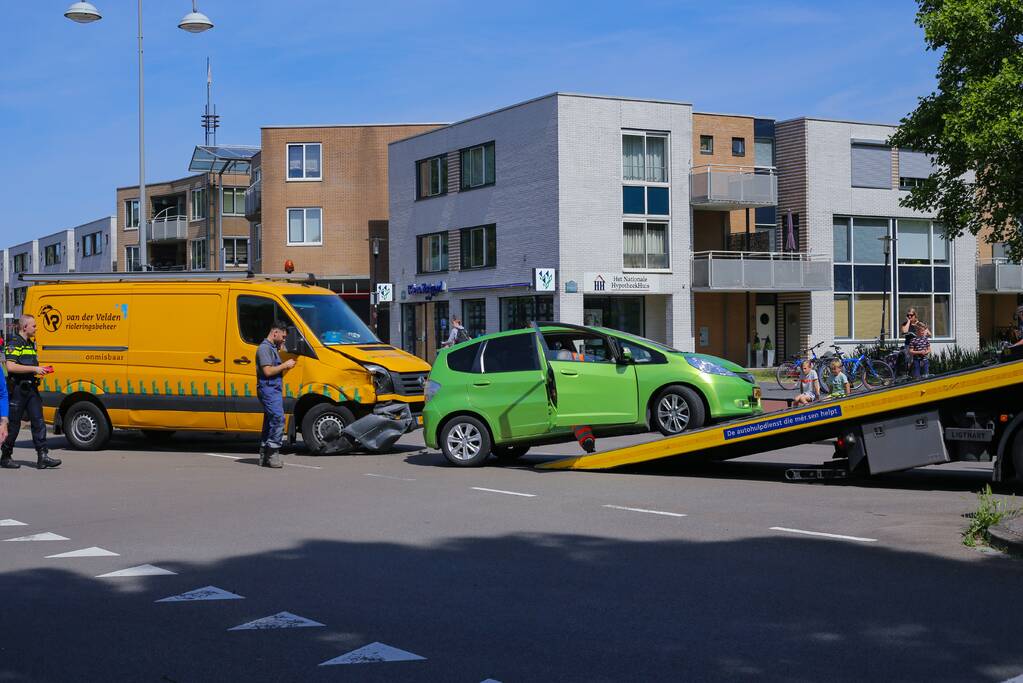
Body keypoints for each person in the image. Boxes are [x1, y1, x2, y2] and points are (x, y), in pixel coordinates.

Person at [1, 315, 59, 470]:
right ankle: (6, 456)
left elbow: (29, 365)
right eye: (34, 326)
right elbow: (11, 367)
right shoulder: (14, 343)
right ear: (24, 327)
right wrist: (35, 369)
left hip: (31, 388)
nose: (36, 328)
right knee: (13, 425)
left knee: (38, 421)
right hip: (18, 389)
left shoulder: (30, 344)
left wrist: (40, 371)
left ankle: (43, 456)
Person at [256, 321, 296, 469]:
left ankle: (264, 455)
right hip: (268, 389)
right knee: (278, 419)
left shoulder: (272, 348)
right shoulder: (264, 349)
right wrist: (285, 365)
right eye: (283, 336)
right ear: (275, 333)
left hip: (272, 389)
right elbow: (267, 371)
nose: (284, 339)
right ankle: (272, 454)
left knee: (269, 421)